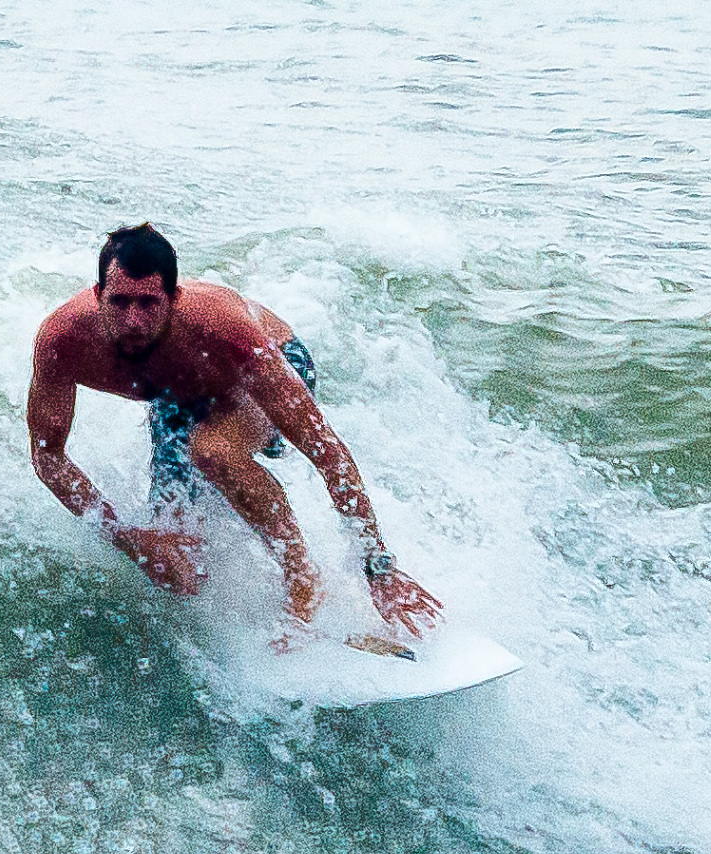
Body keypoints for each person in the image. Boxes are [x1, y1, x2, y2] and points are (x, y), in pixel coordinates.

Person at [26, 222, 441, 642]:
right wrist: (129, 538)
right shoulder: (62, 340)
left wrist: (378, 568)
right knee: (182, 572)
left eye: (149, 303)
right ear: (98, 295)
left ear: (174, 298)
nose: (133, 321)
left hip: (269, 369)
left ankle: (303, 582)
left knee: (213, 450)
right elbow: (48, 457)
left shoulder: (225, 331)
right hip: (179, 401)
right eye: (119, 302)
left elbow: (327, 453)